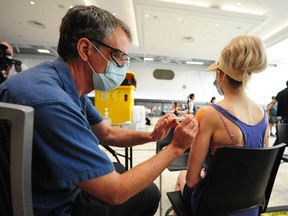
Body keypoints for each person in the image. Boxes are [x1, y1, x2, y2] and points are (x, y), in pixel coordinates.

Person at [0, 5, 199, 216]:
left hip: (47, 183)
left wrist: (151, 135)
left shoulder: (64, 85)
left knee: (118, 168)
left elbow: (107, 133)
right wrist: (176, 147)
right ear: (85, 49)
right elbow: (115, 191)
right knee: (148, 194)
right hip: (55, 204)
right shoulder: (53, 103)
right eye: (118, 56)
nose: (122, 66)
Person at [174, 35, 269, 216]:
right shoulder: (263, 114)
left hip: (214, 209)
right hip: (252, 208)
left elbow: (192, 180)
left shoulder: (209, 113)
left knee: (181, 179)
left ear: (220, 74)